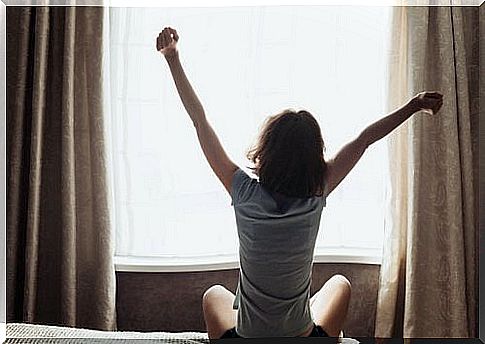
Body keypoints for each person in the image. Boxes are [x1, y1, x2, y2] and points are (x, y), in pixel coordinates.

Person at [156, 27, 444, 339]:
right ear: (313, 156)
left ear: (266, 151)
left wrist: (172, 58)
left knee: (214, 294)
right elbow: (364, 139)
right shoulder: (318, 190)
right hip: (302, 335)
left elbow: (200, 121)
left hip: (248, 337)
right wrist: (414, 105)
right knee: (339, 285)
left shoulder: (242, 191)